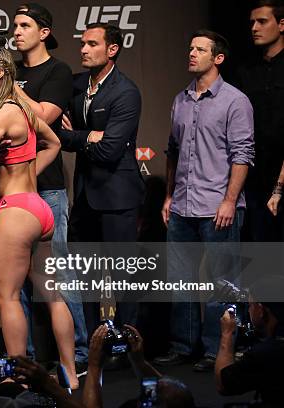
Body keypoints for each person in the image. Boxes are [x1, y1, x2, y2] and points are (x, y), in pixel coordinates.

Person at [0, 47, 75, 391]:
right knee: (52, 296)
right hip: (37, 207)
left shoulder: (3, 113)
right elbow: (53, 143)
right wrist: (29, 174)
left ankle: (15, 378)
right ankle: (69, 374)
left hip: (17, 211)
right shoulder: (21, 109)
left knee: (6, 298)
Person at [155, 30, 254, 372]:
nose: (192, 53)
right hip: (183, 204)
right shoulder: (180, 99)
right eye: (190, 47)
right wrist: (168, 196)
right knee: (181, 281)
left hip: (218, 207)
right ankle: (184, 346)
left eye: (200, 49)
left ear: (218, 58)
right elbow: (173, 151)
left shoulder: (235, 101)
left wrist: (230, 200)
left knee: (220, 284)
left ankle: (218, 349)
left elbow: (242, 155)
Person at [12, 2, 89, 369]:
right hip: (13, 189)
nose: (16, 31)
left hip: (48, 188)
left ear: (44, 32)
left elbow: (44, 116)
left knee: (58, 273)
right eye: (14, 25)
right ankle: (25, 359)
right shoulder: (9, 70)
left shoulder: (58, 71)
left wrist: (9, 88)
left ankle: (80, 352)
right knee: (16, 280)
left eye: (24, 25)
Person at [58, 23, 144, 337]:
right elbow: (59, 135)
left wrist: (76, 136)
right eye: (82, 43)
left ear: (112, 50)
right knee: (88, 277)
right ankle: (95, 340)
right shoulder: (77, 84)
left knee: (122, 277)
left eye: (92, 44)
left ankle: (127, 340)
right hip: (84, 197)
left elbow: (109, 150)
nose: (83, 49)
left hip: (118, 197)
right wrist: (86, 136)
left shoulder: (126, 92)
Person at [237, 0, 284, 240]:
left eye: (262, 21)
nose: (254, 27)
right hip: (253, 178)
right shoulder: (245, 70)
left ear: (282, 24)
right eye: (252, 23)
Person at [215, 276, 284, 407]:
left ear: (261, 310)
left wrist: (227, 334)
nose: (248, 309)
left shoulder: (265, 354)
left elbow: (223, 385)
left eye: (250, 305)